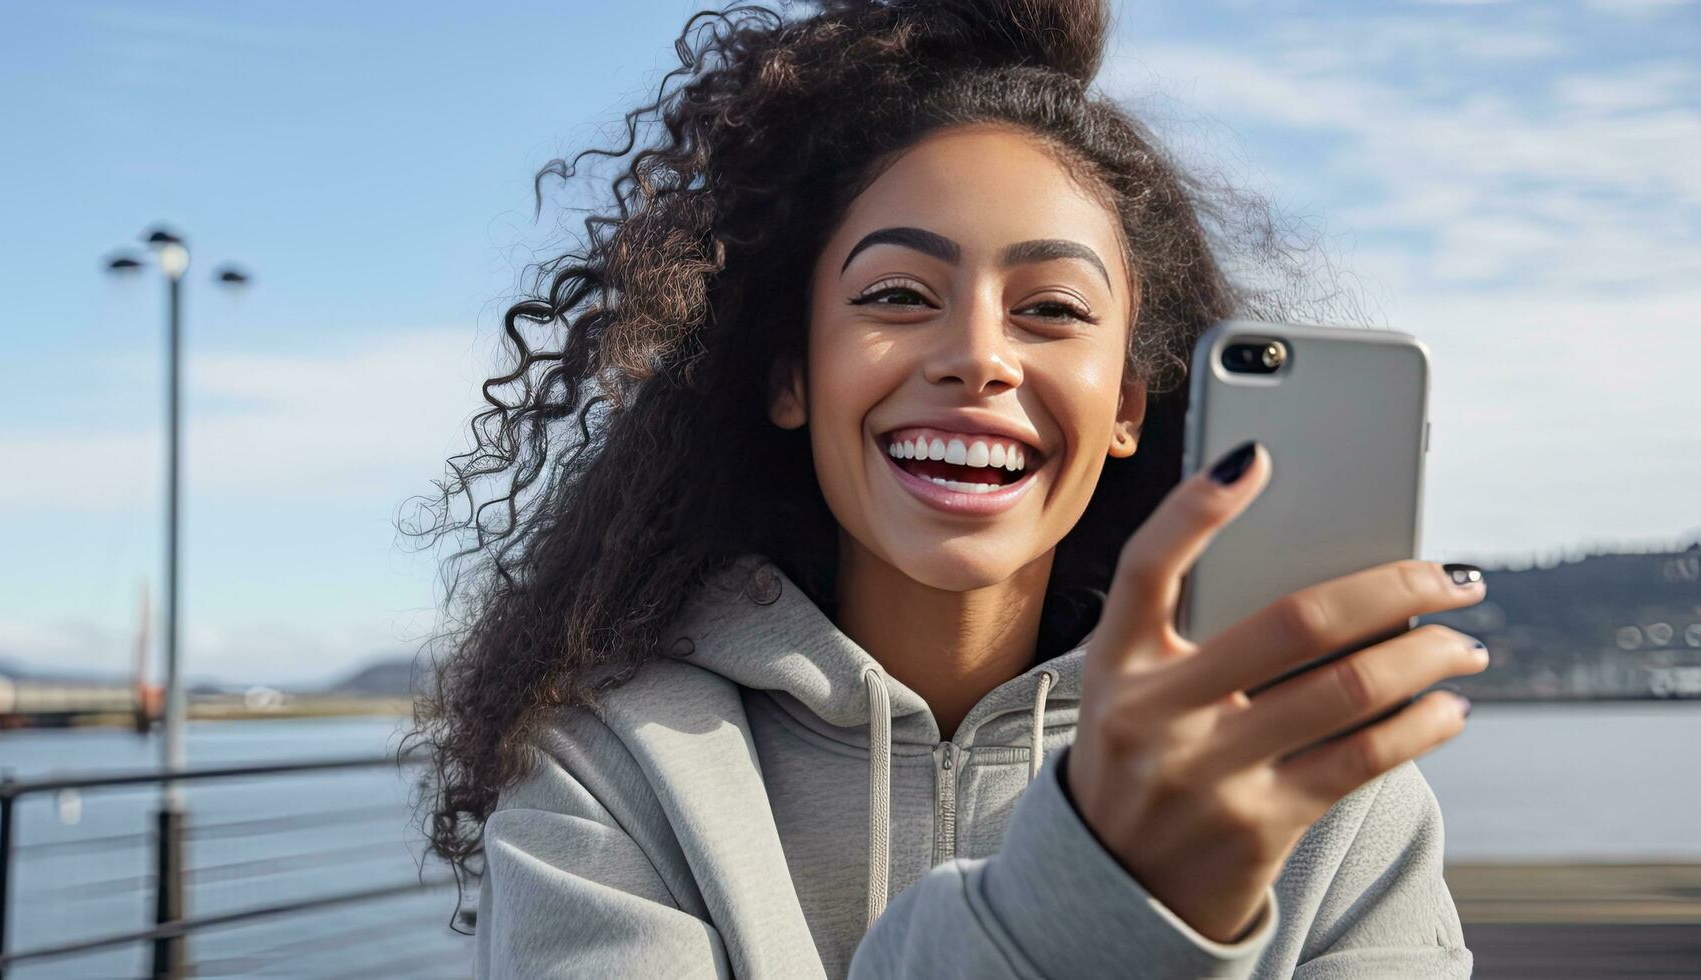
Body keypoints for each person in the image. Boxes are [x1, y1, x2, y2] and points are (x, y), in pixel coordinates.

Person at [407, 0, 1483, 976]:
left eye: (1052, 309)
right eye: (895, 293)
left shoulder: (1316, 787)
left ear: (1127, 405)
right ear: (791, 372)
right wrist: (1098, 887)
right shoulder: (605, 771)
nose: (977, 356)